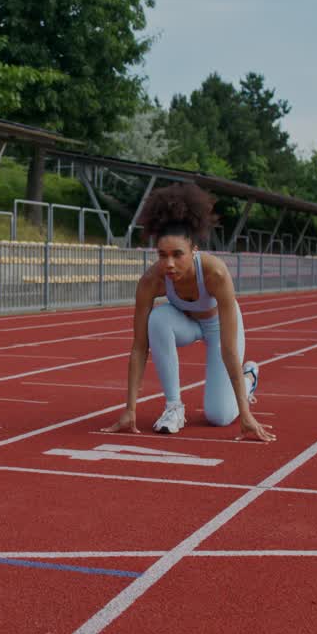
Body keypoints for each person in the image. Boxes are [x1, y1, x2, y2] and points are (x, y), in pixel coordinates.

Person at [102, 182, 275, 442]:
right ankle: (174, 407)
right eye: (162, 255)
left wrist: (246, 413)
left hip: (218, 327)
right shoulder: (152, 281)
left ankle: (249, 376)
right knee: (158, 318)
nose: (169, 264)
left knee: (219, 416)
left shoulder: (215, 273)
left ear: (194, 250)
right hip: (185, 322)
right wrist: (130, 409)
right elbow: (139, 347)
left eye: (177, 255)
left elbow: (228, 349)